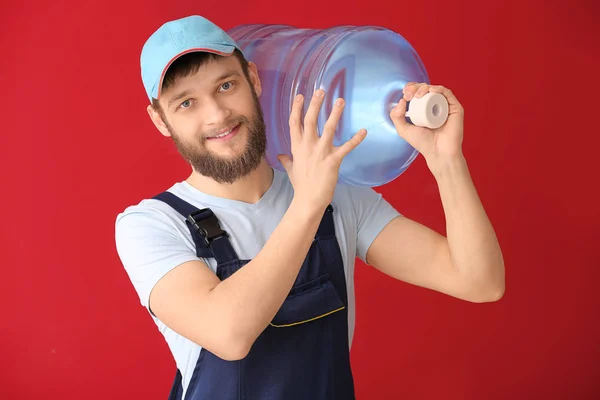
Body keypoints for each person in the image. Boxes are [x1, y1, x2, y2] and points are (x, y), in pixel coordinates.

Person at [115, 14, 505, 400]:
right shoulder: (152, 225)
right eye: (186, 103)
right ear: (160, 120)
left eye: (226, 85)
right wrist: (309, 204)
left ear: (252, 78)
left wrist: (446, 161)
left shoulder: (335, 191)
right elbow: (229, 334)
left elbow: (478, 281)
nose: (216, 114)